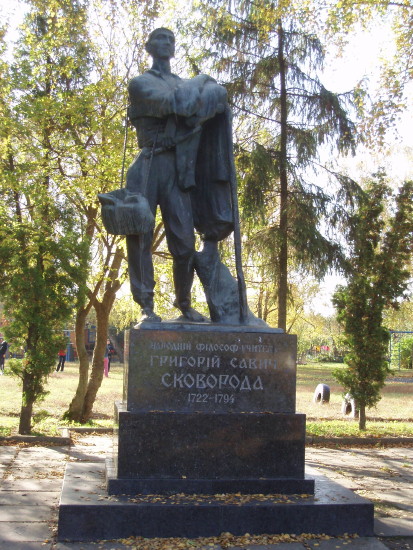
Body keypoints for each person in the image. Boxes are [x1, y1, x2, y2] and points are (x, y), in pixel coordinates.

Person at [126, 28, 234, 323]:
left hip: (177, 168)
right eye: (160, 39)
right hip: (147, 166)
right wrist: (202, 79)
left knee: (184, 243)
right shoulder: (141, 84)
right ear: (148, 45)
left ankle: (183, 304)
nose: (166, 44)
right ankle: (146, 305)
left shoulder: (180, 83)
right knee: (140, 238)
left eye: (171, 40)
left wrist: (207, 93)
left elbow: (213, 103)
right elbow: (183, 105)